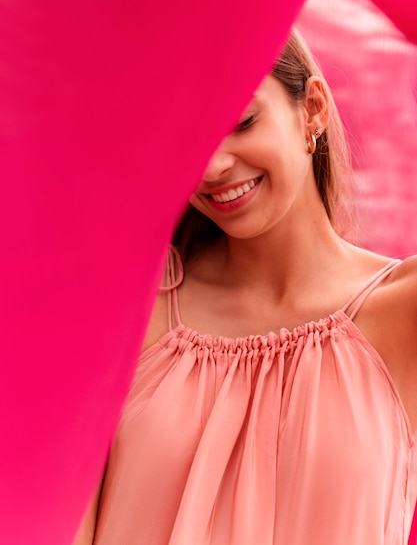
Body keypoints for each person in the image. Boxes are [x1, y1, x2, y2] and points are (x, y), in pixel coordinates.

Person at [74, 29, 417, 545]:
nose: (212, 166)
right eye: (184, 139)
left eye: (241, 122)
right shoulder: (127, 308)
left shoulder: (402, 311)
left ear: (314, 109)